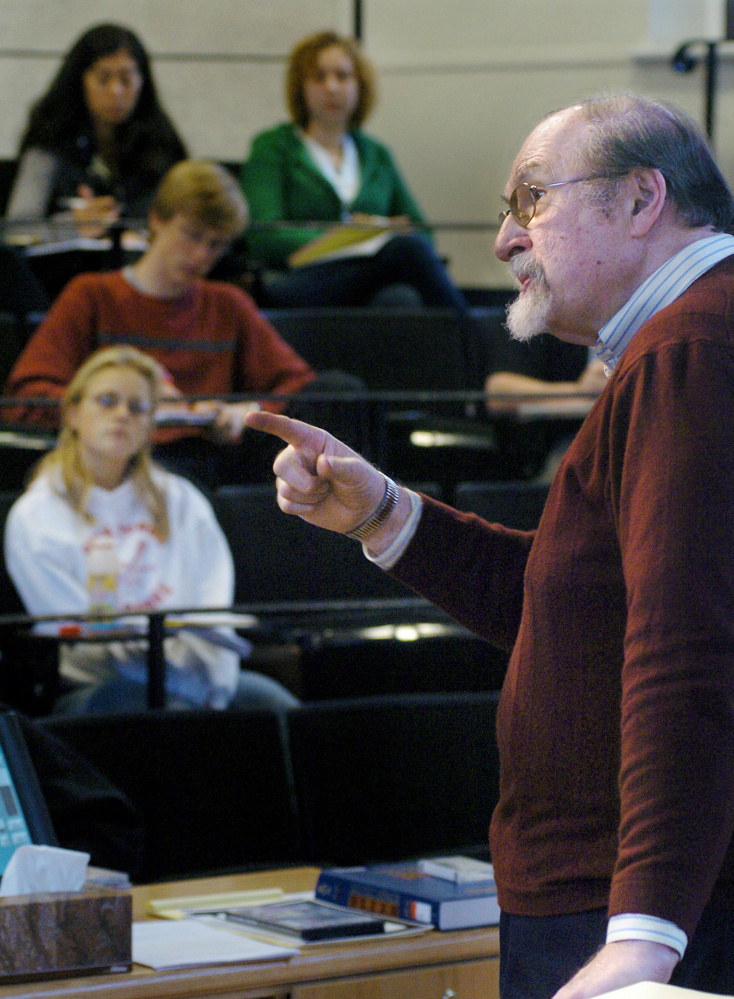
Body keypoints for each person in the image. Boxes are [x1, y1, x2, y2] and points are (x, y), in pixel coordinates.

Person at [243, 93, 734, 998]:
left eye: (531, 201)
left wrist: (644, 934)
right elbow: (578, 611)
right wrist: (383, 514)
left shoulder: (688, 349)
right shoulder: (685, 344)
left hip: (633, 915)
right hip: (621, 898)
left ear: (639, 199)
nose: (507, 241)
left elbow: (686, 645)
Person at [4, 346, 299, 716]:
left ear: (150, 426)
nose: (121, 415)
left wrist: (198, 674)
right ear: (73, 413)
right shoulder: (36, 513)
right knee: (142, 709)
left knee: (277, 708)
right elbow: (76, 633)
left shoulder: (180, 498)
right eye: (107, 401)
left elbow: (212, 606)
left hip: (192, 673)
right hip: (95, 685)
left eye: (137, 407)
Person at [4, 159, 326, 489]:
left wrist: (248, 411)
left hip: (212, 453)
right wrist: (118, 402)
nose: (202, 255)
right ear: (157, 220)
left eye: (215, 244)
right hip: (132, 456)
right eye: (192, 235)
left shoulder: (227, 303)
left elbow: (298, 384)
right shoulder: (92, 296)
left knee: (336, 392)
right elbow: (26, 398)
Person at [239, 31, 467, 311]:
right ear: (301, 87)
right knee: (405, 254)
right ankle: (478, 341)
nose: (332, 87)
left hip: (370, 275)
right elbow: (263, 236)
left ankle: (466, 343)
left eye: (342, 76)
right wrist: (344, 238)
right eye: (319, 77)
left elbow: (422, 232)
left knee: (400, 293)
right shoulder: (273, 147)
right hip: (301, 280)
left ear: (360, 87)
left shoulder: (376, 154)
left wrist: (375, 233)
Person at [5, 22, 186, 226]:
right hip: (68, 256)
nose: (116, 91)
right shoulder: (51, 138)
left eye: (126, 79)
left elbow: (188, 219)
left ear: (143, 82)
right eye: (103, 79)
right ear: (79, 80)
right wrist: (73, 223)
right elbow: (18, 227)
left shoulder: (161, 142)